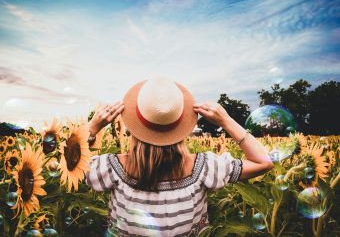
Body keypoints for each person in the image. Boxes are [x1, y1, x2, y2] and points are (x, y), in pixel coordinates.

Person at [85, 78, 274, 236]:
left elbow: (64, 163)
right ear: (181, 126)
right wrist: (226, 120)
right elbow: (264, 162)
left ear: (135, 126)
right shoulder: (204, 168)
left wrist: (92, 128)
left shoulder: (110, 168)